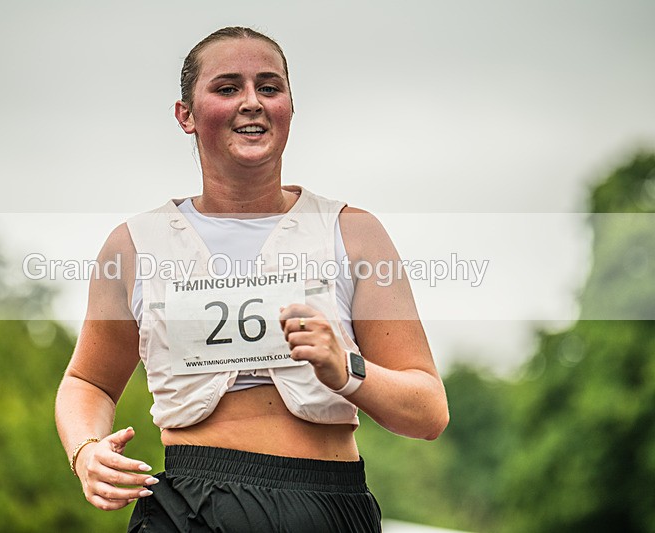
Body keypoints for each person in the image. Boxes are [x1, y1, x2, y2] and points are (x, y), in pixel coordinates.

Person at [55, 26, 449, 532]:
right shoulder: (135, 246)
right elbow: (88, 381)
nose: (251, 103)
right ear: (186, 115)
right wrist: (86, 450)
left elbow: (428, 413)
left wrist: (347, 368)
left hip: (324, 506)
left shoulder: (352, 233)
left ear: (290, 107)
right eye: (227, 88)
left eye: (269, 87)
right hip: (186, 507)